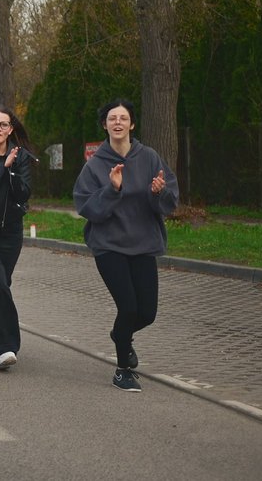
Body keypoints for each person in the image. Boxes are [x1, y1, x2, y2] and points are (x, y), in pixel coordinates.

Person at [73, 98, 178, 392]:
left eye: (123, 118)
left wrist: (158, 192)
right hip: (109, 246)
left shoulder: (150, 158)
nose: (117, 122)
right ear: (105, 125)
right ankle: (123, 370)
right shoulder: (95, 165)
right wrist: (112, 189)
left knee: (147, 313)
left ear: (132, 124)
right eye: (112, 118)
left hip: (143, 243)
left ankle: (120, 335)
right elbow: (86, 207)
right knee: (128, 307)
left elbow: (170, 201)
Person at [0, 106, 34, 371]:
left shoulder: (20, 156)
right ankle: (5, 348)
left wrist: (10, 170)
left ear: (10, 129)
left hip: (11, 231)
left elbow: (23, 194)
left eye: (3, 124)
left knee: (2, 285)